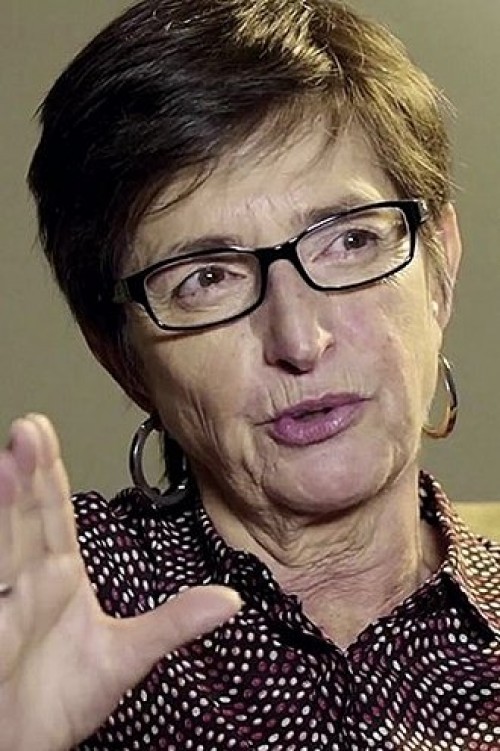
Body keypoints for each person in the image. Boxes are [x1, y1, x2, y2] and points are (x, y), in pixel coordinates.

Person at [1, 0, 498, 748]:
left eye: (350, 241)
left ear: (440, 269)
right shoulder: (53, 600)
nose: (299, 339)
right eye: (206, 278)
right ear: (119, 352)